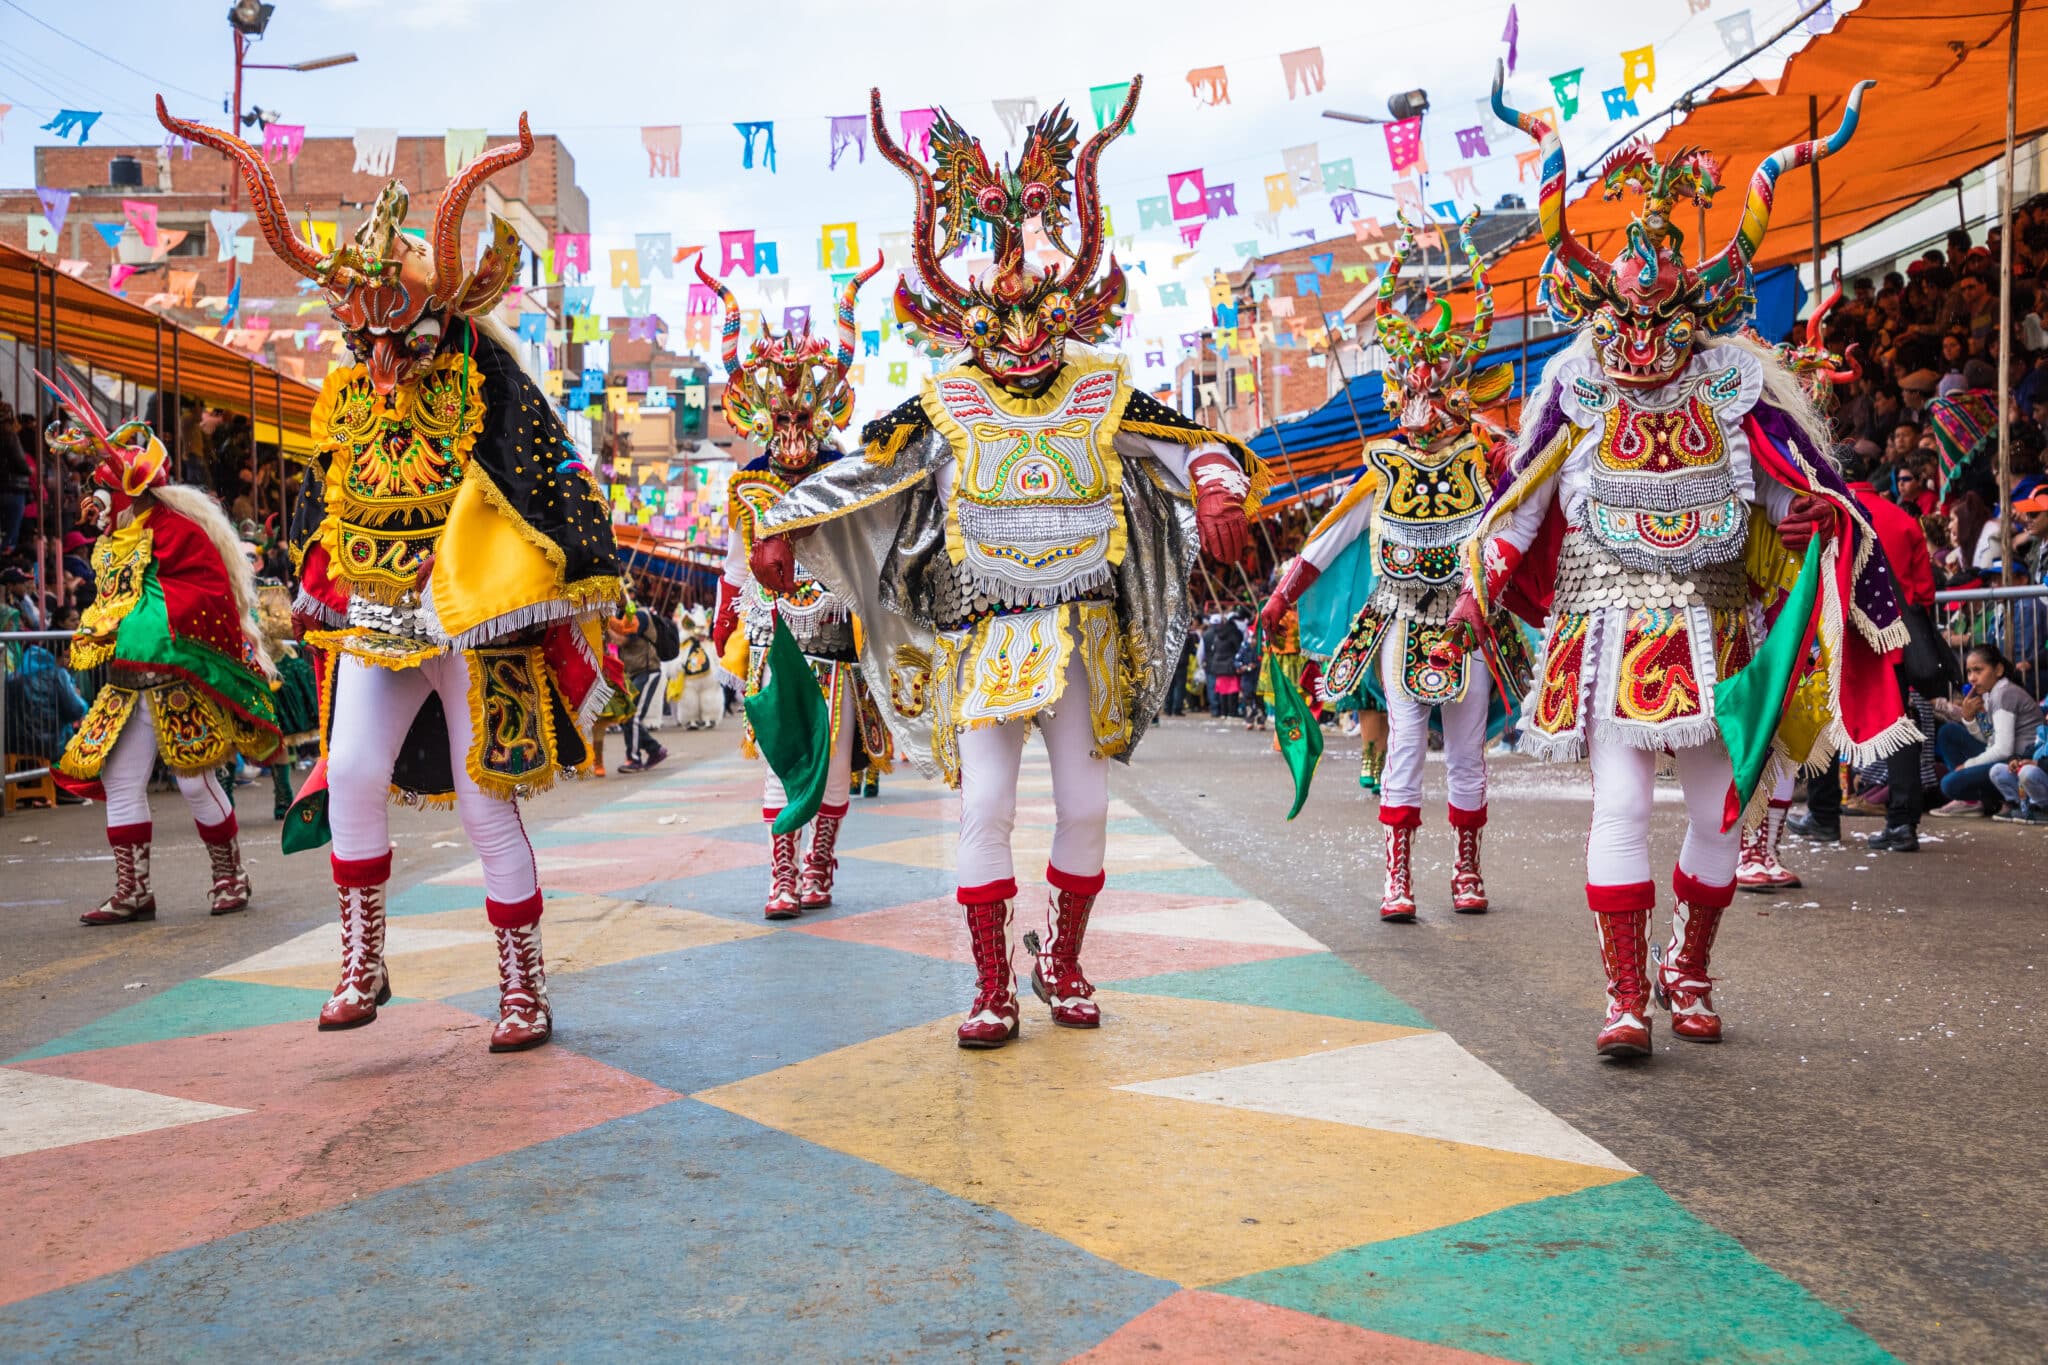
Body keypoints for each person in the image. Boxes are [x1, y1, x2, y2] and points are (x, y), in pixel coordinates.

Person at [751, 81, 1259, 1048]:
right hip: (985, 637)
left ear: (1071, 313)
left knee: (1087, 804)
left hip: (1083, 632)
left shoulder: (1105, 389)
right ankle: (990, 983)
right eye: (999, 327)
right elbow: (857, 473)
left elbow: (1194, 440)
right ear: (963, 325)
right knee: (984, 802)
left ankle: (1061, 959)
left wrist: (1216, 487)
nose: (1023, 344)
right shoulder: (940, 405)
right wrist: (780, 520)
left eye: (1041, 324)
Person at [1452, 72, 1909, 1060]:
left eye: (1662, 321)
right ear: (1599, 306)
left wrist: (1802, 529)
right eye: (1625, 320)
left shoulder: (1733, 378)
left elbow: (1795, 491)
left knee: (1717, 807)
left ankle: (1685, 968)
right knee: (1618, 803)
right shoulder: (1573, 379)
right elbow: (1516, 503)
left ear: (1696, 315)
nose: (1642, 349)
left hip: (1716, 624)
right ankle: (1622, 996)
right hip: (1605, 623)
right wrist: (1473, 590)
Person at [161, 102, 624, 1053]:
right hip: (377, 616)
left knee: (485, 796)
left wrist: (489, 571)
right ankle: (362, 960)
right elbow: (332, 499)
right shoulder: (345, 399)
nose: (380, 362)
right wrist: (318, 582)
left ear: (439, 324)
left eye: (401, 340)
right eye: (363, 341)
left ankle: (522, 986)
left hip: (468, 623)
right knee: (357, 776)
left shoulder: (487, 385)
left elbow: (551, 489)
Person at [1261, 213, 1527, 920]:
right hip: (1402, 615)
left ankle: (1467, 872)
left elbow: (1524, 511)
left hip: (1469, 622)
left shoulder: (1485, 459)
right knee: (1408, 737)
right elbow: (1328, 535)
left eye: (1436, 392)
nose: (1423, 406)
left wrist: (1513, 447)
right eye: (1412, 392)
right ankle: (1398, 877)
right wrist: (1284, 594)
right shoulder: (1382, 466)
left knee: (1468, 749)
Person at [38, 379, 281, 925]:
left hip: (176, 675)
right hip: (128, 680)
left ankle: (230, 876)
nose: (97, 504)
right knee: (121, 780)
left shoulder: (177, 531)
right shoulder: (116, 541)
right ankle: (133, 890)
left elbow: (206, 593)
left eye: (106, 492)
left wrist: (152, 625)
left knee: (196, 780)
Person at [705, 258, 892, 918]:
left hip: (838, 636)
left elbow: (869, 553)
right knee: (782, 751)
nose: (790, 432)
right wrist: (726, 618)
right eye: (778, 416)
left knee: (837, 759)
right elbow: (733, 563)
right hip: (772, 633)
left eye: (801, 414)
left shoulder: (846, 478)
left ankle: (820, 861)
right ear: (760, 416)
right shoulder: (749, 484)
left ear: (820, 414)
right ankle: (782, 870)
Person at [1780, 443, 1941, 861]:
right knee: (1898, 722)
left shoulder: (1826, 514)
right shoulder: (1904, 519)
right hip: (1894, 639)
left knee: (1828, 719)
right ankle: (1903, 822)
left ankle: (1824, 814)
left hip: (1834, 635)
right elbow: (1925, 590)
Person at [1929, 644, 2044, 818]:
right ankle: (1975, 801)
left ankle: (1988, 799)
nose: (1972, 678)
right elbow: (1989, 740)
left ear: (1998, 670)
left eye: (1978, 670)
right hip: (2004, 757)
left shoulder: (2004, 694)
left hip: (2018, 761)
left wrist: (1967, 766)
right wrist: (1969, 719)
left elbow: (2003, 749)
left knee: (1948, 784)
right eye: (1969, 672)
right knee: (1948, 732)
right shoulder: (1990, 693)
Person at [615, 600, 669, 774]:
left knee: (634, 715)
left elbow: (622, 639)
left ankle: (634, 758)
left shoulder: (640, 616)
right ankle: (654, 749)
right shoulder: (621, 616)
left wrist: (605, 623)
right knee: (626, 716)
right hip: (632, 673)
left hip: (647, 670)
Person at [673, 609, 722, 731]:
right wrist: (678, 666)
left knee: (710, 696)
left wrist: (721, 671)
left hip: (709, 678)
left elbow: (717, 658)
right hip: (689, 678)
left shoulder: (710, 644)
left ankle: (709, 717)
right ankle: (690, 719)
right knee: (688, 698)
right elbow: (679, 659)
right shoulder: (685, 645)